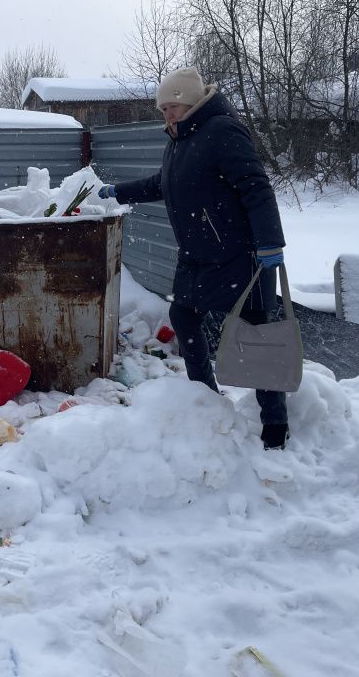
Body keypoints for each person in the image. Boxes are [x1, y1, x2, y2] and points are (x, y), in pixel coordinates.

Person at [99, 67, 290, 450]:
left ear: (191, 100)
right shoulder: (180, 140)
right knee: (184, 317)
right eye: (163, 108)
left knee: (255, 335)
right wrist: (116, 191)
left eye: (172, 105)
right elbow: (163, 183)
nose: (166, 113)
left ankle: (274, 424)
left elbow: (256, 187)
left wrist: (270, 243)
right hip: (197, 256)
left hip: (239, 255)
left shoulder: (222, 130)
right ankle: (204, 395)